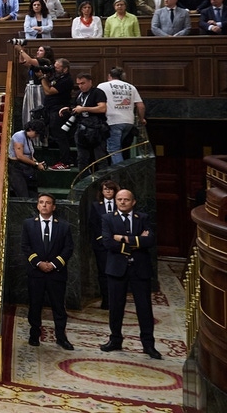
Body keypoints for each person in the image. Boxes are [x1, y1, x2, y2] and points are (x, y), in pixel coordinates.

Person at [100, 189, 160, 359]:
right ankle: (115, 340)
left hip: (140, 269)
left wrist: (124, 239)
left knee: (144, 308)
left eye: (126, 199)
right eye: (119, 199)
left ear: (133, 202)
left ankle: (148, 345)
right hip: (116, 269)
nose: (122, 202)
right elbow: (108, 243)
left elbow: (150, 241)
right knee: (116, 307)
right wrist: (137, 241)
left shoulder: (143, 218)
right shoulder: (107, 218)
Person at [21, 193, 74, 350]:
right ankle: (34, 335)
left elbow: (68, 248)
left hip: (56, 273)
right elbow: (25, 246)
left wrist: (53, 264)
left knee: (58, 307)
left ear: (54, 206)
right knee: (35, 305)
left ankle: (61, 337)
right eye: (41, 202)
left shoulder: (63, 226)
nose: (44, 205)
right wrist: (38, 263)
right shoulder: (28, 224)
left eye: (48, 203)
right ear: (37, 205)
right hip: (36, 274)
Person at [96, 67, 145, 165]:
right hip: (128, 121)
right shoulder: (131, 87)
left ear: (109, 76)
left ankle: (120, 175)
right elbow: (141, 106)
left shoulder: (102, 86)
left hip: (112, 120)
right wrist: (141, 119)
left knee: (114, 150)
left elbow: (97, 101)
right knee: (119, 148)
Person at [62, 72, 109, 174]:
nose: (80, 86)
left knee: (100, 158)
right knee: (81, 159)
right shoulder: (79, 94)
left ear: (90, 82)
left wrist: (83, 109)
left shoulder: (98, 92)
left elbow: (102, 108)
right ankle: (82, 181)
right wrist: (69, 109)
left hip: (97, 129)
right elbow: (76, 108)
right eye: (78, 84)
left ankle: (104, 183)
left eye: (83, 83)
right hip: (82, 129)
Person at [89, 179, 120, 309]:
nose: (108, 191)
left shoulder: (120, 204)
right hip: (101, 245)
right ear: (102, 192)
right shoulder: (96, 206)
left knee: (117, 272)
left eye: (110, 189)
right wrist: (101, 239)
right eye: (105, 189)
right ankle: (106, 300)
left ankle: (116, 300)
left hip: (118, 244)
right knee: (103, 273)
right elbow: (93, 225)